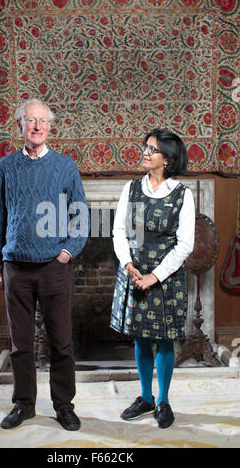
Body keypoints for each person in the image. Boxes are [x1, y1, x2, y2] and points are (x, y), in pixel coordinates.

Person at [0, 98, 88, 431]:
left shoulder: (64, 166)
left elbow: (81, 216)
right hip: (16, 266)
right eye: (30, 120)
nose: (36, 126)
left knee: (61, 341)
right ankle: (24, 405)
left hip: (54, 267)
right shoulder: (6, 166)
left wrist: (68, 252)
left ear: (49, 127)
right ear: (20, 126)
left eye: (42, 121)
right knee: (20, 344)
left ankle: (64, 405)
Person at [110, 128, 195, 429]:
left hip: (166, 278)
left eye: (152, 149)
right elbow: (122, 231)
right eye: (145, 147)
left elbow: (185, 244)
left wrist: (154, 276)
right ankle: (145, 396)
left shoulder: (182, 195)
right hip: (134, 272)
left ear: (168, 159)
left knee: (164, 340)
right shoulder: (132, 190)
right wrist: (128, 264)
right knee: (141, 337)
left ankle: (163, 401)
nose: (145, 152)